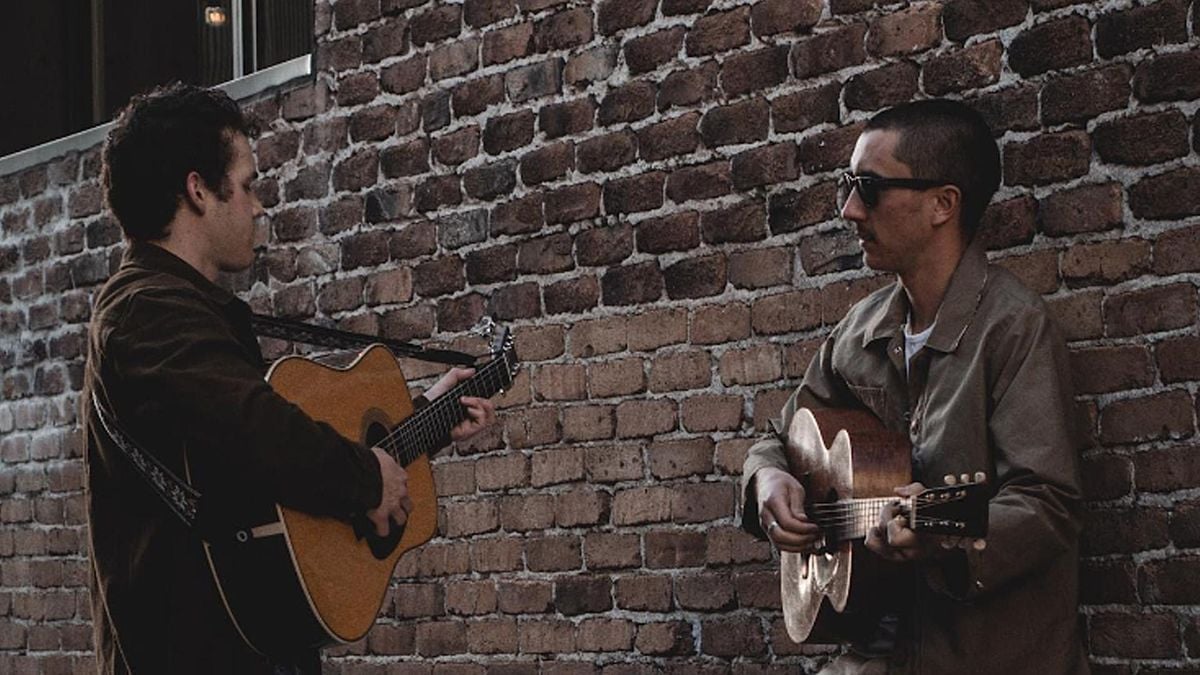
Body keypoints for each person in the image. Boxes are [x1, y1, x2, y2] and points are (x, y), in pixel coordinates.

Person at [82, 83, 496, 674]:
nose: (257, 206)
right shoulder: (145, 310)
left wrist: (425, 416)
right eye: (248, 185)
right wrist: (363, 480)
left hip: (244, 642)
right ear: (199, 190)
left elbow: (258, 479)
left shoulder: (183, 309)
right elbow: (253, 428)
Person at [741, 99, 1089, 674]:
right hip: (874, 650)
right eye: (847, 186)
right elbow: (778, 436)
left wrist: (942, 539)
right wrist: (768, 478)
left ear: (942, 205)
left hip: (981, 657)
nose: (850, 210)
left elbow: (1048, 503)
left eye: (870, 188)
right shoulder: (861, 329)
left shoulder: (1012, 328)